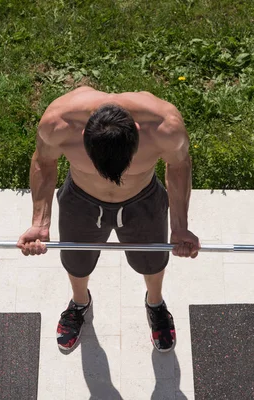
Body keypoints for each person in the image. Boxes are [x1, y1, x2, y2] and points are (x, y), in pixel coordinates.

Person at [16, 86, 200, 352]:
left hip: (142, 202)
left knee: (152, 261)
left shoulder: (165, 128)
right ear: (83, 136)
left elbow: (179, 166)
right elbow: (44, 162)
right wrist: (40, 222)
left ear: (137, 131)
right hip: (81, 201)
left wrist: (180, 227)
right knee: (76, 261)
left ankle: (155, 303)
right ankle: (79, 303)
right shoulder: (57, 123)